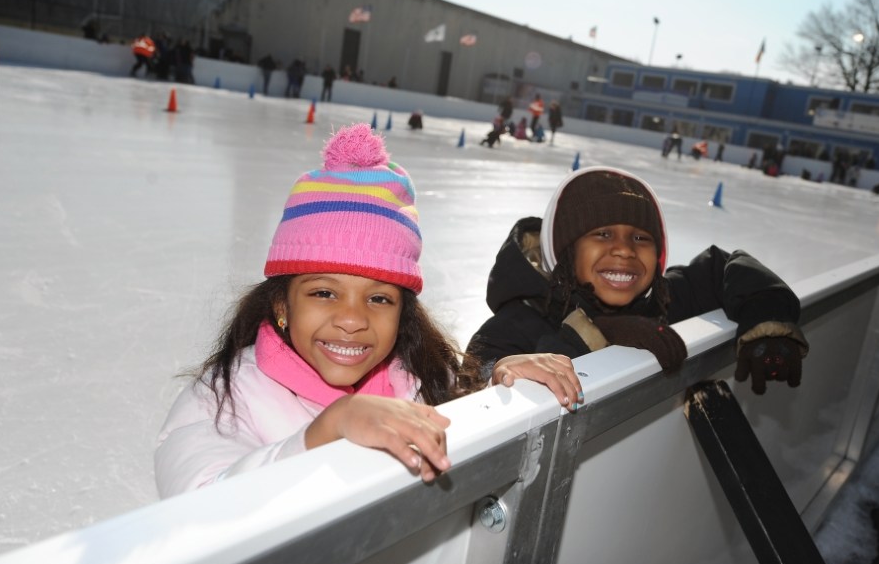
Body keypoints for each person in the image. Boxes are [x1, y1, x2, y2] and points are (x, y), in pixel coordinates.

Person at [155, 123, 579, 498]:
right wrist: (324, 433)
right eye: (324, 292)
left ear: (402, 313)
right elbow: (198, 506)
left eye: (379, 299)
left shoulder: (419, 377)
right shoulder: (224, 396)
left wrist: (499, 386)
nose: (353, 320)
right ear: (282, 303)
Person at [466, 166, 809, 396]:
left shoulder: (662, 301)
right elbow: (474, 387)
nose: (625, 250)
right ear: (564, 250)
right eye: (602, 234)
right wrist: (597, 335)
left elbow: (725, 266)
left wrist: (767, 319)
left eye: (641, 238)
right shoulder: (511, 328)